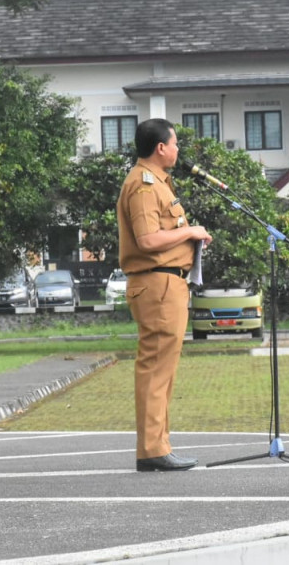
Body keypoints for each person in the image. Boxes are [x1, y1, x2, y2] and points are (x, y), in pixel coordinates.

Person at [117, 118, 212, 471]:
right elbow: (147, 240)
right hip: (157, 285)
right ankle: (153, 450)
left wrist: (191, 237)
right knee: (157, 369)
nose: (178, 150)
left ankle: (157, 446)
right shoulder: (143, 185)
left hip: (167, 283)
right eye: (175, 144)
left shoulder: (157, 183)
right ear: (160, 148)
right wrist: (191, 233)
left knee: (163, 370)